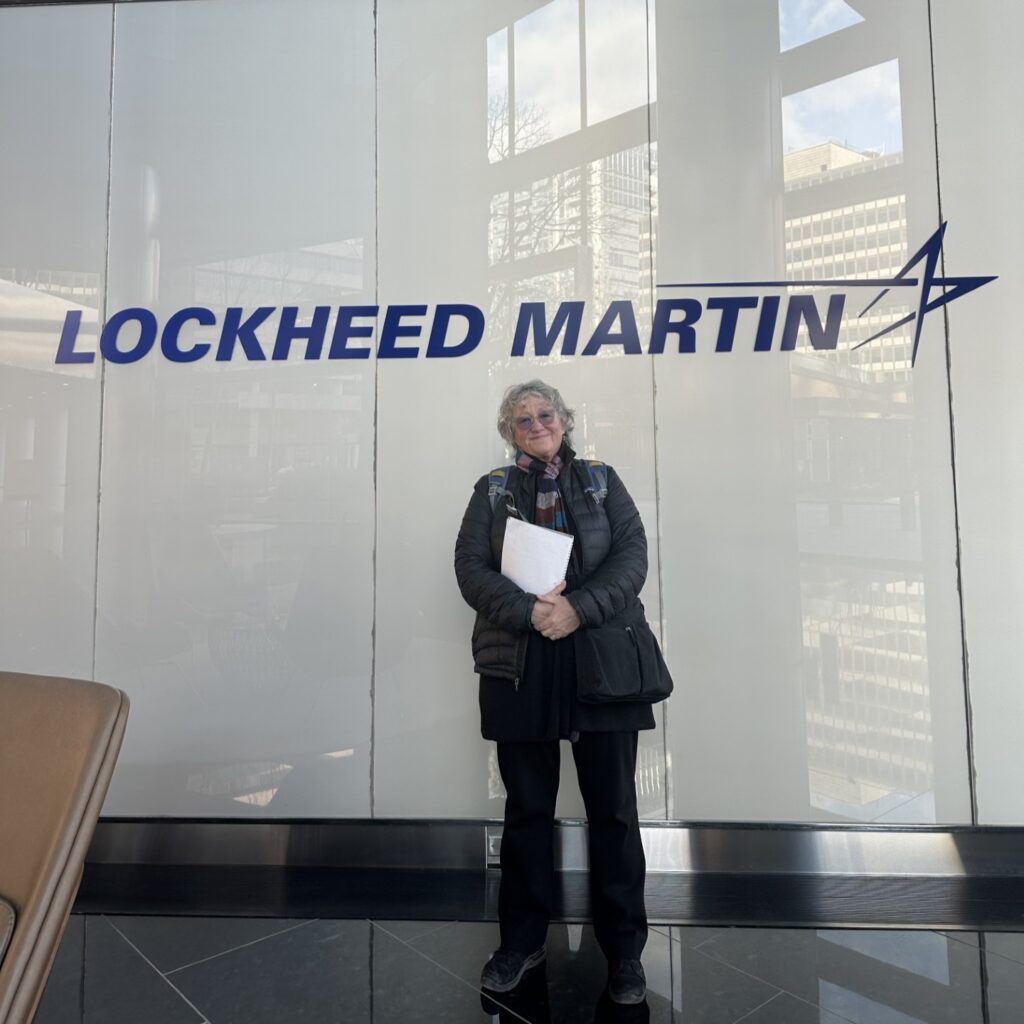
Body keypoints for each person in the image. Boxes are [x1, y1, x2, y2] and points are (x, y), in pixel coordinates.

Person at [454, 379, 655, 1006]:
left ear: (565, 422)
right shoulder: (491, 490)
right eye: (522, 420)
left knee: (615, 812)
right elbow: (469, 567)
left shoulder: (601, 480)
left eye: (545, 415)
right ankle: (522, 943)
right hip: (522, 665)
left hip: (601, 661)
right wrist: (529, 612)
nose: (535, 425)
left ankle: (623, 953)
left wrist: (576, 610)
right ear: (508, 431)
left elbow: (631, 558)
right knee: (527, 812)